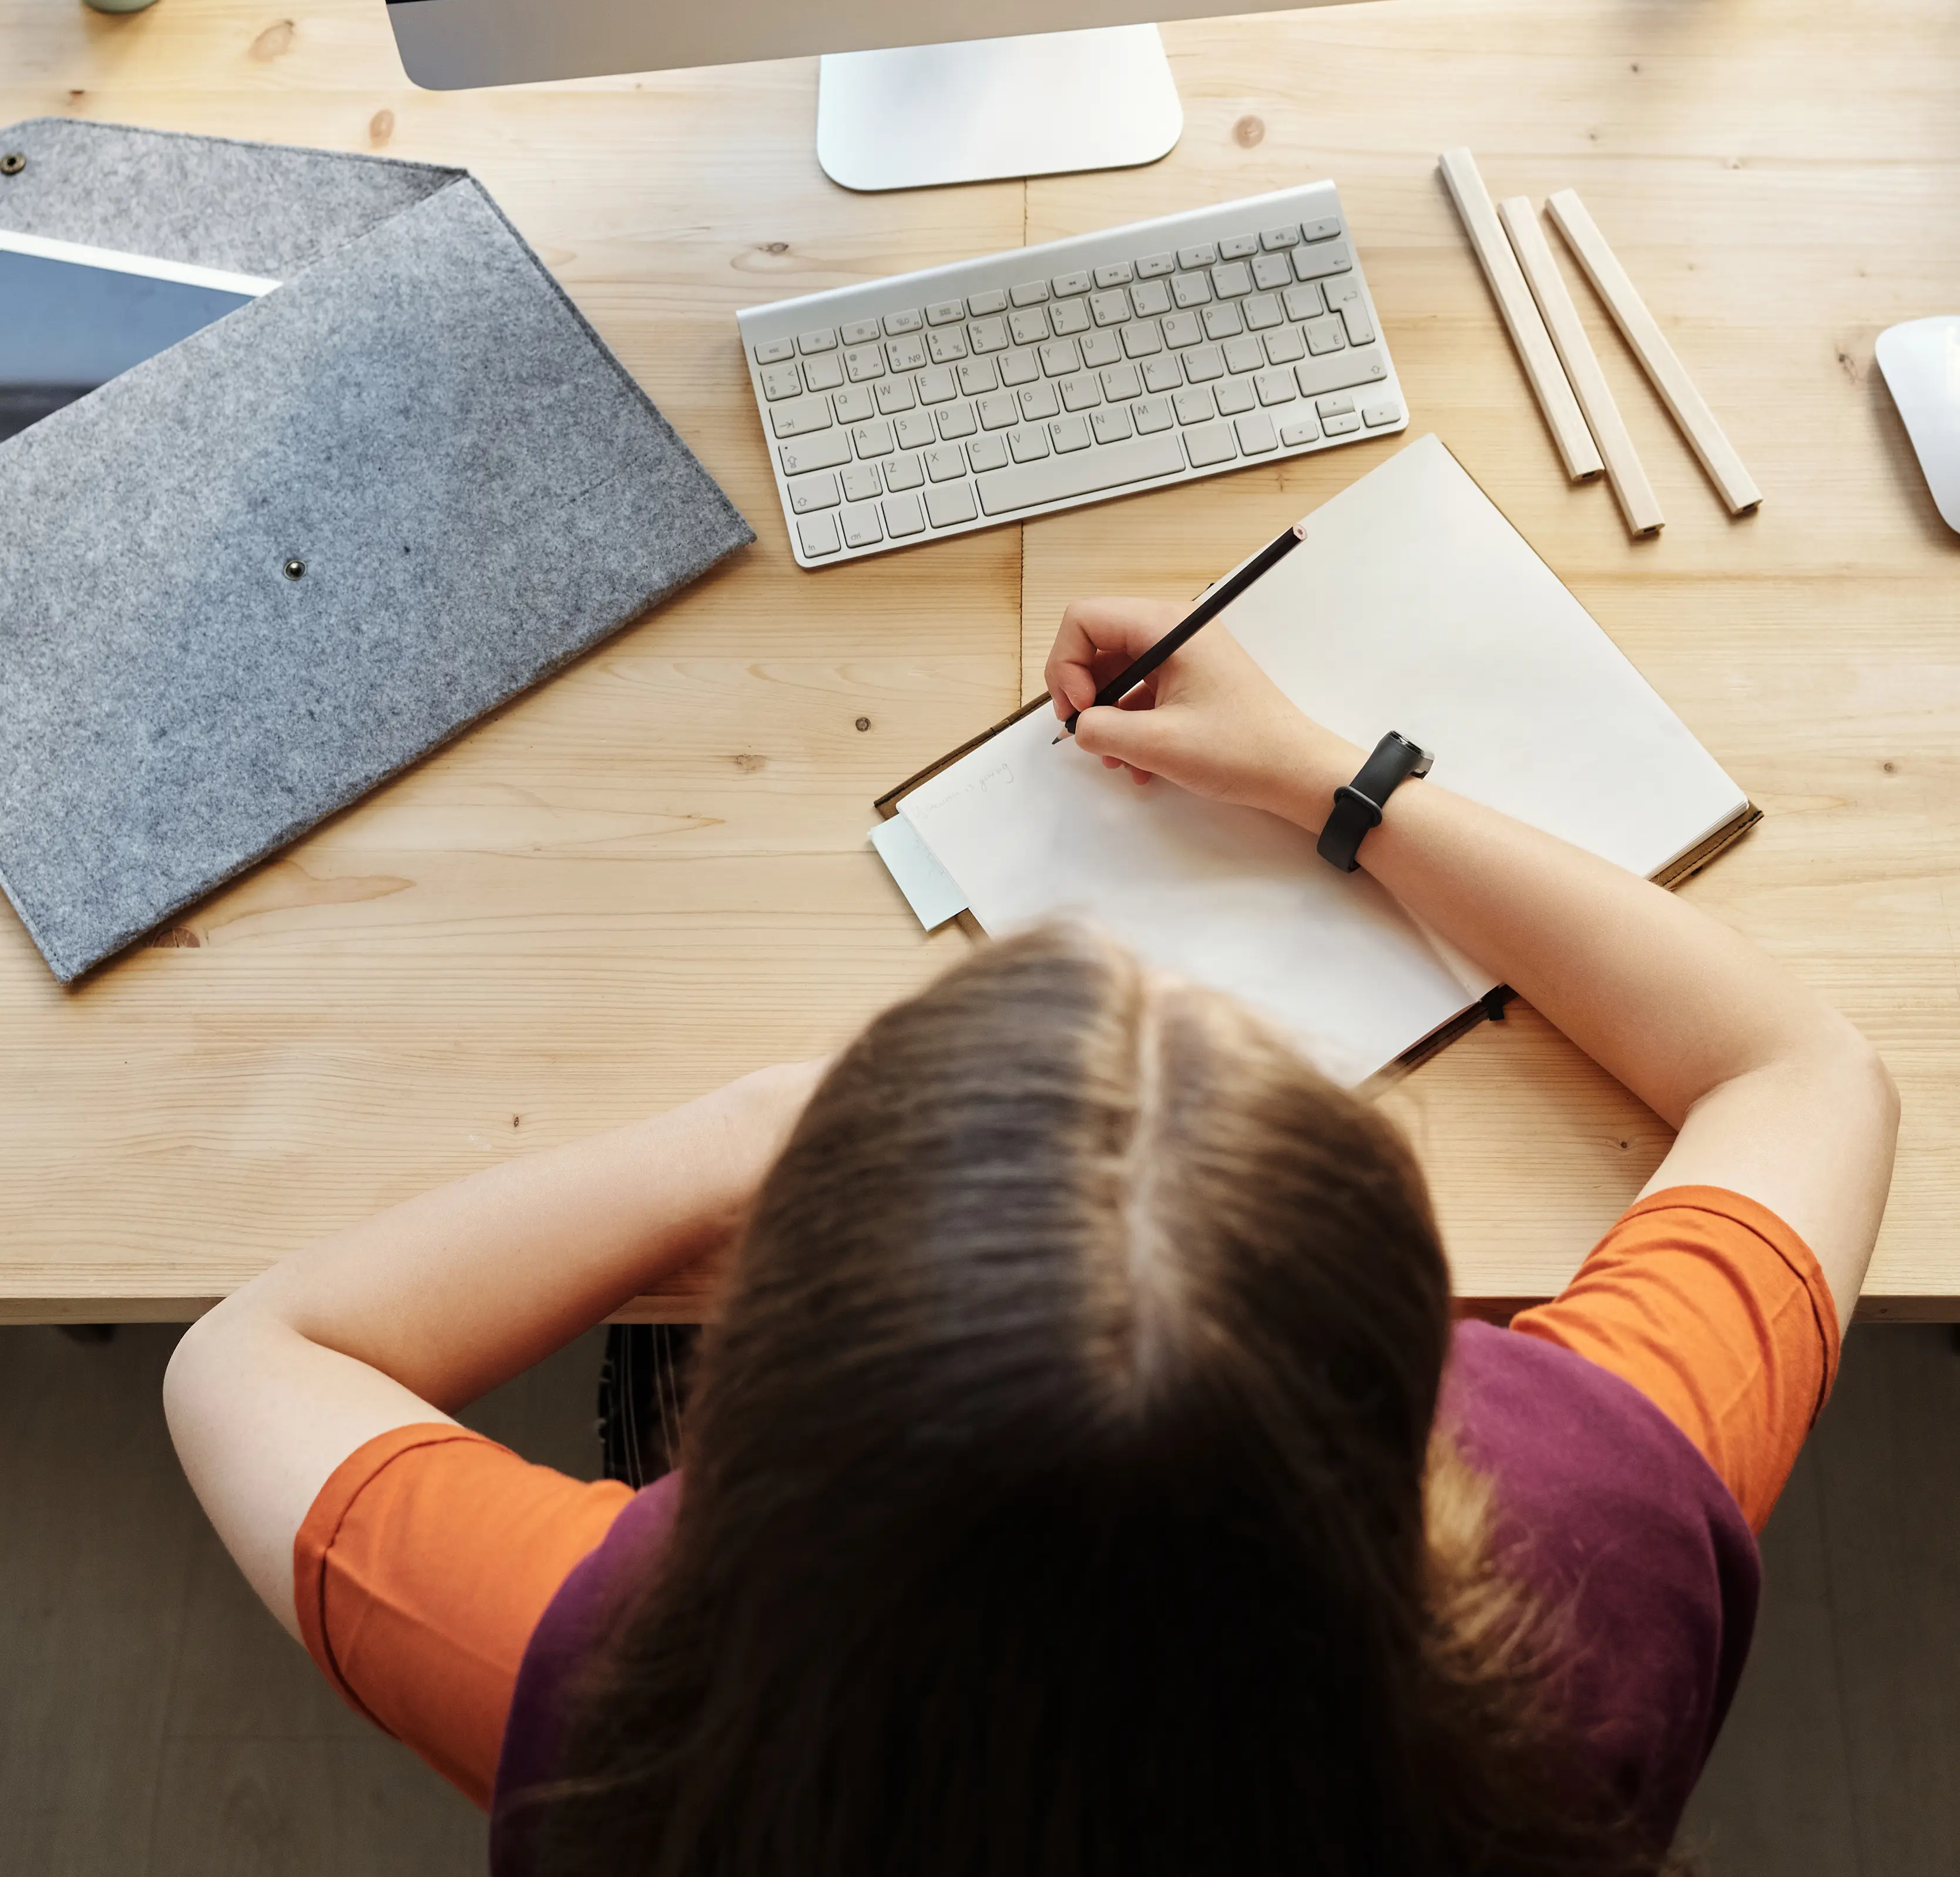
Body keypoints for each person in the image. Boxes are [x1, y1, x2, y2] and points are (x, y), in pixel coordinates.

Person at [165, 598, 1897, 1876]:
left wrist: (747, 1135)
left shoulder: (629, 1704)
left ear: (755, 1414)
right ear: (1408, 1384)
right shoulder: (1587, 1555)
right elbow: (1796, 1069)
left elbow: (252, 1355)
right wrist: (1329, 777)